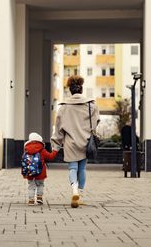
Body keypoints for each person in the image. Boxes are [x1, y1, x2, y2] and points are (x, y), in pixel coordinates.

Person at [51, 75, 99, 208]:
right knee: (82, 168)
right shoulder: (91, 105)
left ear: (70, 91)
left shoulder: (63, 107)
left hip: (70, 143)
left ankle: (74, 190)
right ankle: (80, 195)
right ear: (81, 89)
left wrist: (55, 146)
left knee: (73, 168)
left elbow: (58, 129)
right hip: (85, 142)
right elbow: (95, 124)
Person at [23, 132, 58, 206]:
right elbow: (51, 157)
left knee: (31, 186)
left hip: (29, 171)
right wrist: (55, 150)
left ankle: (31, 200)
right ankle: (39, 198)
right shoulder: (42, 150)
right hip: (40, 172)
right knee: (40, 184)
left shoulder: (26, 149)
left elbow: (24, 161)